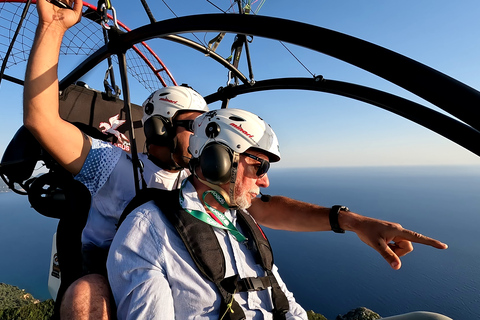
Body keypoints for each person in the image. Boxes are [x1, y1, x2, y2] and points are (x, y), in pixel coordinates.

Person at [24, 0, 449, 319]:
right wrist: (53, 25)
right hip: (113, 268)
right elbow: (42, 121)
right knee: (87, 296)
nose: (205, 134)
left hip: (181, 261)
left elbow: (266, 208)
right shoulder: (111, 166)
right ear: (159, 129)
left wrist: (350, 220)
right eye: (194, 123)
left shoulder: (202, 185)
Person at [107, 109, 452, 320]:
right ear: (217, 161)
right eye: (259, 165)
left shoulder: (240, 221)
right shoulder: (149, 231)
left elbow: (283, 300)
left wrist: (355, 222)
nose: (266, 179)